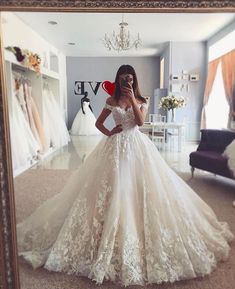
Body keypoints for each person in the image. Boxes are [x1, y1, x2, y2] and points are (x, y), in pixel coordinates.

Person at [17, 64, 233, 286]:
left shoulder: (142, 99)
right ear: (118, 79)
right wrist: (109, 131)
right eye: (123, 78)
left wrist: (131, 100)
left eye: (130, 78)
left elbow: (140, 122)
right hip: (114, 147)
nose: (126, 82)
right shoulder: (111, 101)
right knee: (108, 188)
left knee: (140, 188)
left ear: (134, 80)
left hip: (137, 146)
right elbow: (98, 122)